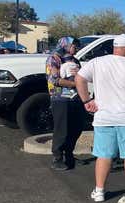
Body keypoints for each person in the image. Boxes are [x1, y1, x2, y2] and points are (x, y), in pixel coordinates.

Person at [75, 34, 125, 202]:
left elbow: (79, 78)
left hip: (104, 117)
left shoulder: (97, 62)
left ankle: (99, 191)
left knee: (104, 155)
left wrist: (87, 100)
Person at [45, 37, 85, 171]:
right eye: (74, 45)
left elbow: (82, 76)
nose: (76, 48)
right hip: (60, 98)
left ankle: (69, 155)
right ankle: (57, 157)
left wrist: (80, 77)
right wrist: (76, 84)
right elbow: (55, 80)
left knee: (76, 127)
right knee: (61, 129)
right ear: (65, 45)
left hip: (76, 98)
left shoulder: (75, 60)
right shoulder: (54, 59)